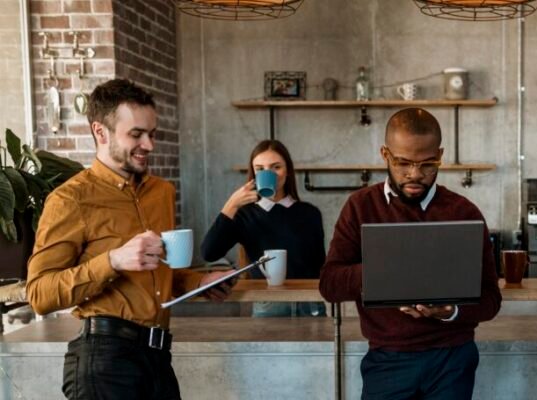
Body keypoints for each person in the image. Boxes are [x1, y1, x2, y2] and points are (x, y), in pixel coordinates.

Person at [26, 79, 235, 399]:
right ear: (100, 132)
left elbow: (160, 273)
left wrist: (201, 282)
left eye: (152, 134)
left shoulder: (161, 192)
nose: (149, 145)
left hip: (158, 358)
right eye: (136, 134)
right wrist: (112, 260)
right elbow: (40, 293)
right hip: (105, 361)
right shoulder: (70, 199)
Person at [319, 108, 501, 400]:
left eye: (428, 164)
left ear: (440, 154)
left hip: (452, 358)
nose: (415, 174)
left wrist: (450, 311)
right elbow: (329, 284)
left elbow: (491, 299)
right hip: (387, 359)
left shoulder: (463, 212)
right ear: (385, 154)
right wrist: (384, 272)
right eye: (403, 163)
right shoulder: (360, 207)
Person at [201, 139, 326, 316]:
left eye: (276, 167)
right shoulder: (245, 215)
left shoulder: (310, 213)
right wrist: (232, 204)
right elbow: (209, 252)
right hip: (267, 306)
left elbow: (321, 266)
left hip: (310, 305)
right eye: (260, 169)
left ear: (288, 171)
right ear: (253, 174)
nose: (269, 173)